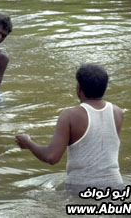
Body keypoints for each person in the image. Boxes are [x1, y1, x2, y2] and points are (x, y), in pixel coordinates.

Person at [15, 64, 124, 195]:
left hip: (80, 188)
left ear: (79, 89)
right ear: (105, 88)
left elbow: (52, 157)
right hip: (115, 186)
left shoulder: (70, 115)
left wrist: (29, 143)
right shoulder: (118, 112)